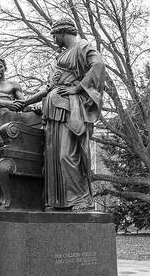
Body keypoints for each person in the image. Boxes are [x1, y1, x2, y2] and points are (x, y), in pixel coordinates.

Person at [18, 18, 105, 211]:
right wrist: (26, 102)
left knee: (68, 155)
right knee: (53, 158)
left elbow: (98, 66)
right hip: (52, 113)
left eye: (54, 35)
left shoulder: (83, 47)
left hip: (69, 110)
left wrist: (79, 88)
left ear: (62, 32)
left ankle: (81, 199)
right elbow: (50, 89)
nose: (54, 39)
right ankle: (60, 202)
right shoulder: (59, 58)